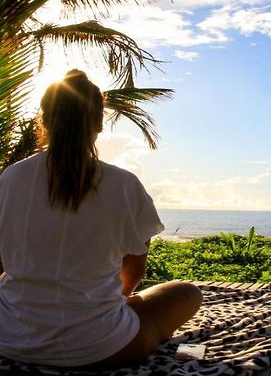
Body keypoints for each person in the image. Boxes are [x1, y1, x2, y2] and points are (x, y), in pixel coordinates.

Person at [0, 69, 202, 367]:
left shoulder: (11, 178)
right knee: (186, 292)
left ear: (43, 120)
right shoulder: (123, 183)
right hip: (101, 346)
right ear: (98, 122)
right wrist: (103, 306)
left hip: (11, 340)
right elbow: (133, 269)